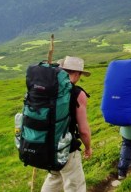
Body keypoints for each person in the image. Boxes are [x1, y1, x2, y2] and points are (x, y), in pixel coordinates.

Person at [41, 56, 92, 192]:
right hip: (66, 147)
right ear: (76, 73)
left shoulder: (47, 89)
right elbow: (83, 130)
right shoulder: (77, 93)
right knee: (75, 186)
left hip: (45, 144)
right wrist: (88, 147)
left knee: (54, 178)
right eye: (80, 74)